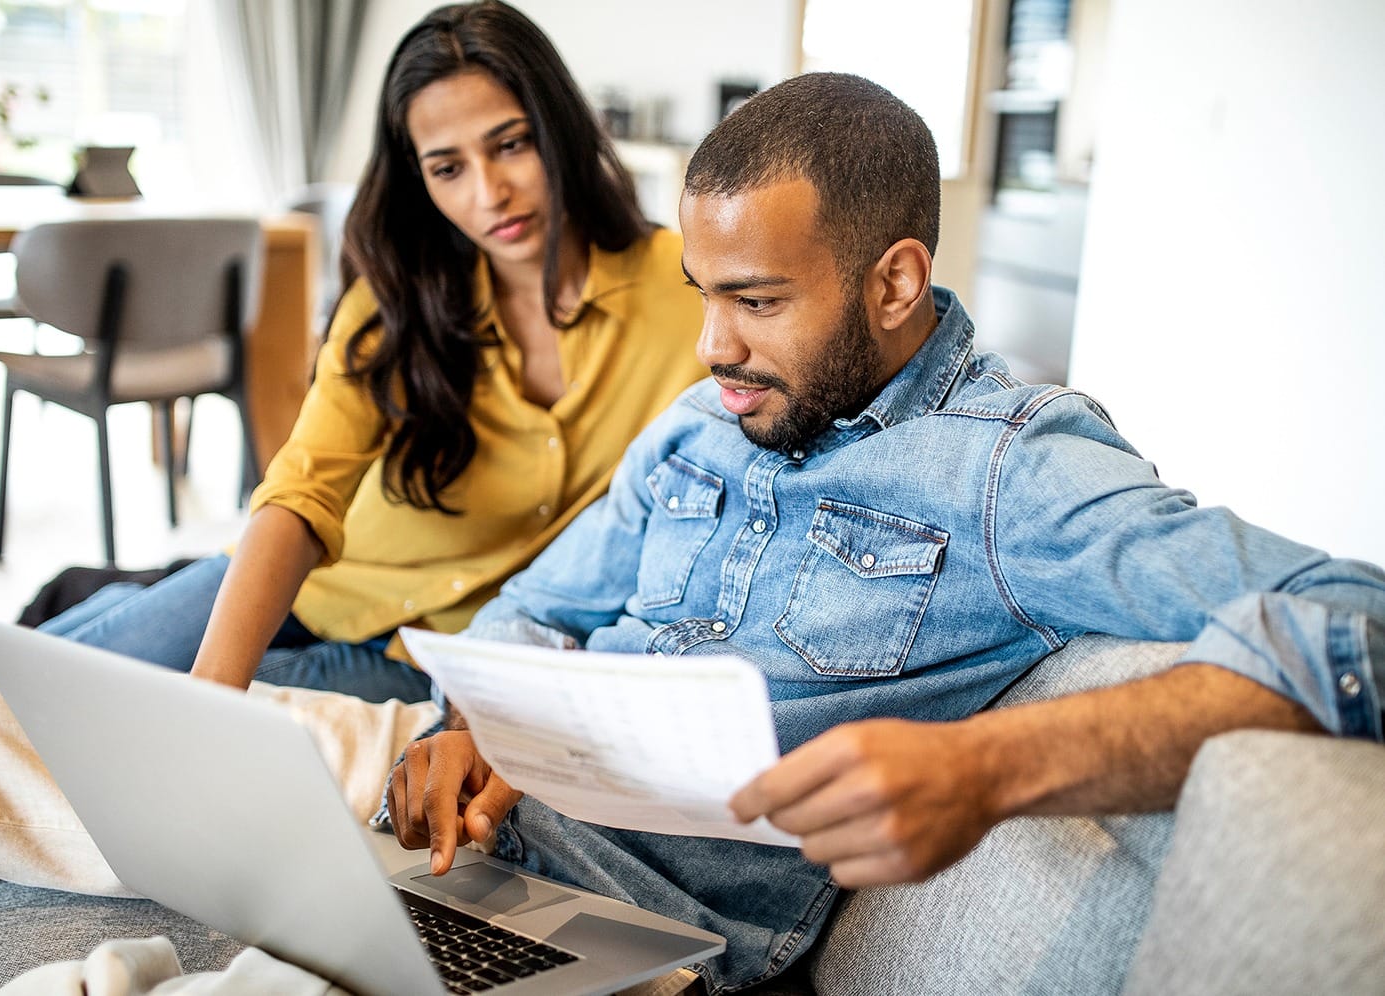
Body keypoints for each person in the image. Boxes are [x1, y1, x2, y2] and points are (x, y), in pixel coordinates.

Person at [383, 72, 1385, 993]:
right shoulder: (700, 425)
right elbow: (534, 609)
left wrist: (986, 766)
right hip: (469, 864)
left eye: (758, 301)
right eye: (703, 292)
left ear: (895, 284)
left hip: (631, 941)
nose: (709, 347)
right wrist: (464, 726)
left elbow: (1354, 615)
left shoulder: (1008, 471)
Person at [31, 0, 706, 704]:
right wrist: (211, 695)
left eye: (512, 145)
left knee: (125, 716)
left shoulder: (687, 287)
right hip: (311, 584)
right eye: (448, 169)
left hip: (437, 653)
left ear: (561, 129)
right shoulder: (397, 297)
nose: (490, 193)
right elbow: (303, 488)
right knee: (29, 689)